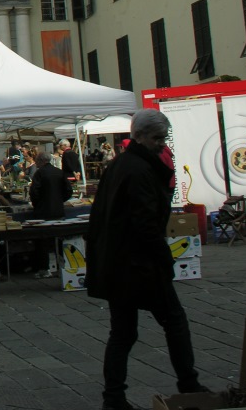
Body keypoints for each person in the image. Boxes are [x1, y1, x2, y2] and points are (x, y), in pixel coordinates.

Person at [86, 109, 208, 410]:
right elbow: (145, 222)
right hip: (139, 264)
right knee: (174, 322)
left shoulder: (120, 165)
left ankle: (113, 397)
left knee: (124, 331)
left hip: (118, 263)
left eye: (163, 139)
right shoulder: (139, 169)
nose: (160, 144)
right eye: (156, 139)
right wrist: (163, 258)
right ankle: (188, 384)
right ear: (139, 136)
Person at [29, 151, 72, 278]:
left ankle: (44, 268)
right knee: (59, 240)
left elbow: (34, 192)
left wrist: (37, 204)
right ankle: (63, 266)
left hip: (43, 211)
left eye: (37, 161)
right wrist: (60, 200)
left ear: (41, 161)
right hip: (58, 210)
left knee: (42, 241)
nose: (36, 163)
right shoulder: (59, 172)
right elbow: (68, 190)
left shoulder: (39, 173)